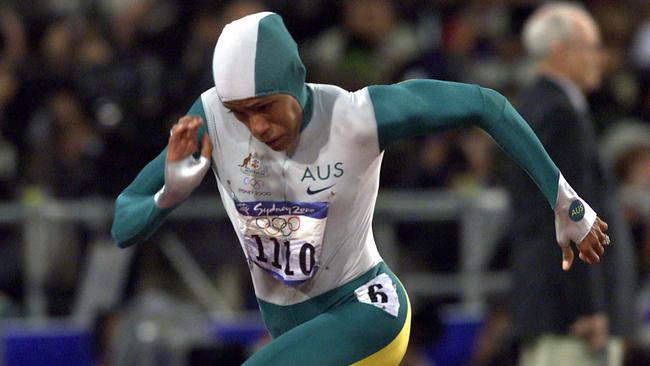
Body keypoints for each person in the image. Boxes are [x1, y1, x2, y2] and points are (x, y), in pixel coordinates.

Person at [111, 12, 610, 365]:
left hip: (367, 310)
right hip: (293, 325)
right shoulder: (213, 117)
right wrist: (168, 198)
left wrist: (564, 200)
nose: (256, 127)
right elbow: (123, 221)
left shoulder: (358, 115)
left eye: (265, 107)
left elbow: (485, 104)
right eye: (242, 115)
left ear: (296, 80)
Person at [503, 3, 636, 366]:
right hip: (572, 319)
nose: (600, 57)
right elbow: (571, 216)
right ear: (561, 51)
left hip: (550, 309)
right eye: (591, 46)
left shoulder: (530, 106)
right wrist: (590, 309)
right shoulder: (560, 115)